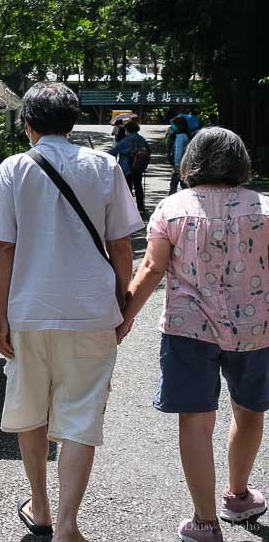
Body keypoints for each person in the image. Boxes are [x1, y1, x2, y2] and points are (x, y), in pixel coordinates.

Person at [0, 82, 143, 542]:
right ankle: (70, 525)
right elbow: (120, 244)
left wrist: (1, 317)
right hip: (92, 311)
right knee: (81, 416)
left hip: (29, 312)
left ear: (28, 125)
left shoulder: (13, 169)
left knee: (31, 410)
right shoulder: (104, 166)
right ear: (72, 122)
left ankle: (42, 506)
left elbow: (5, 247)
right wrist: (123, 302)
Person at [117, 127, 269, 542]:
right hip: (256, 329)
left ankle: (205, 522)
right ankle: (238, 496)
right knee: (250, 410)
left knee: (196, 421)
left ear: (191, 162)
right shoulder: (265, 209)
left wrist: (126, 317)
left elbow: (151, 269)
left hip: (189, 331)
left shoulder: (172, 208)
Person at [109, 120, 150, 213]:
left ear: (127, 130)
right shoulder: (142, 139)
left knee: (127, 188)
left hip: (127, 167)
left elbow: (113, 152)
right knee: (138, 186)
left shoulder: (126, 141)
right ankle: (141, 206)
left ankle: (129, 208)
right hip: (139, 167)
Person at [170, 115, 191, 194]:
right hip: (185, 164)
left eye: (174, 125)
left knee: (174, 185)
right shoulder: (185, 135)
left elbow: (178, 151)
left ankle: (171, 202)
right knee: (183, 184)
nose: (172, 126)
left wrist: (176, 164)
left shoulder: (180, 136)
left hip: (179, 165)